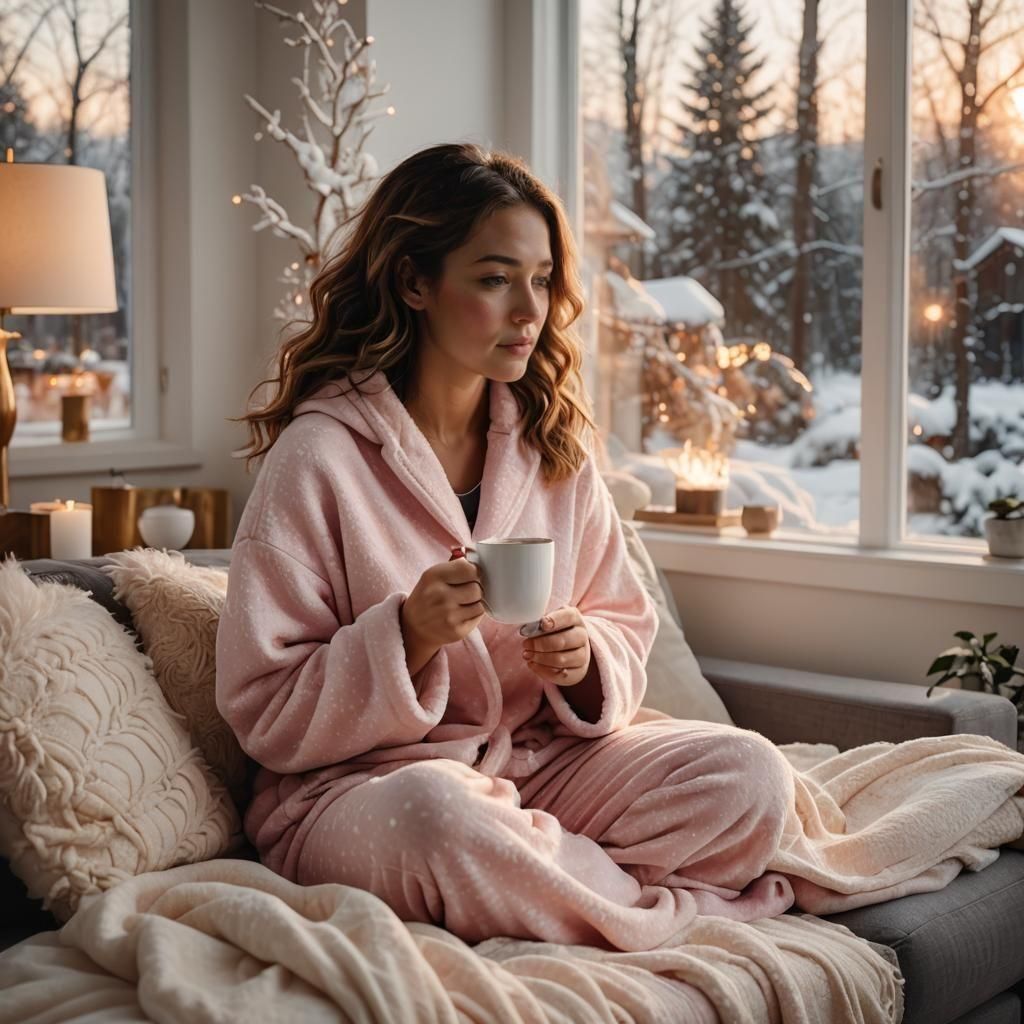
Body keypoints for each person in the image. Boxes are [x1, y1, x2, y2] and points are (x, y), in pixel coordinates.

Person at [215, 142, 796, 953]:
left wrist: (585, 659)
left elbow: (622, 621)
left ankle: (535, 884)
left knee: (752, 776)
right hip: (365, 795)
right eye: (494, 279)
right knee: (439, 818)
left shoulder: (551, 445)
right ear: (416, 282)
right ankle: (649, 914)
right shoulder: (319, 458)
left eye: (543, 279)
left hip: (538, 772)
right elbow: (264, 710)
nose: (531, 310)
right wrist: (406, 635)